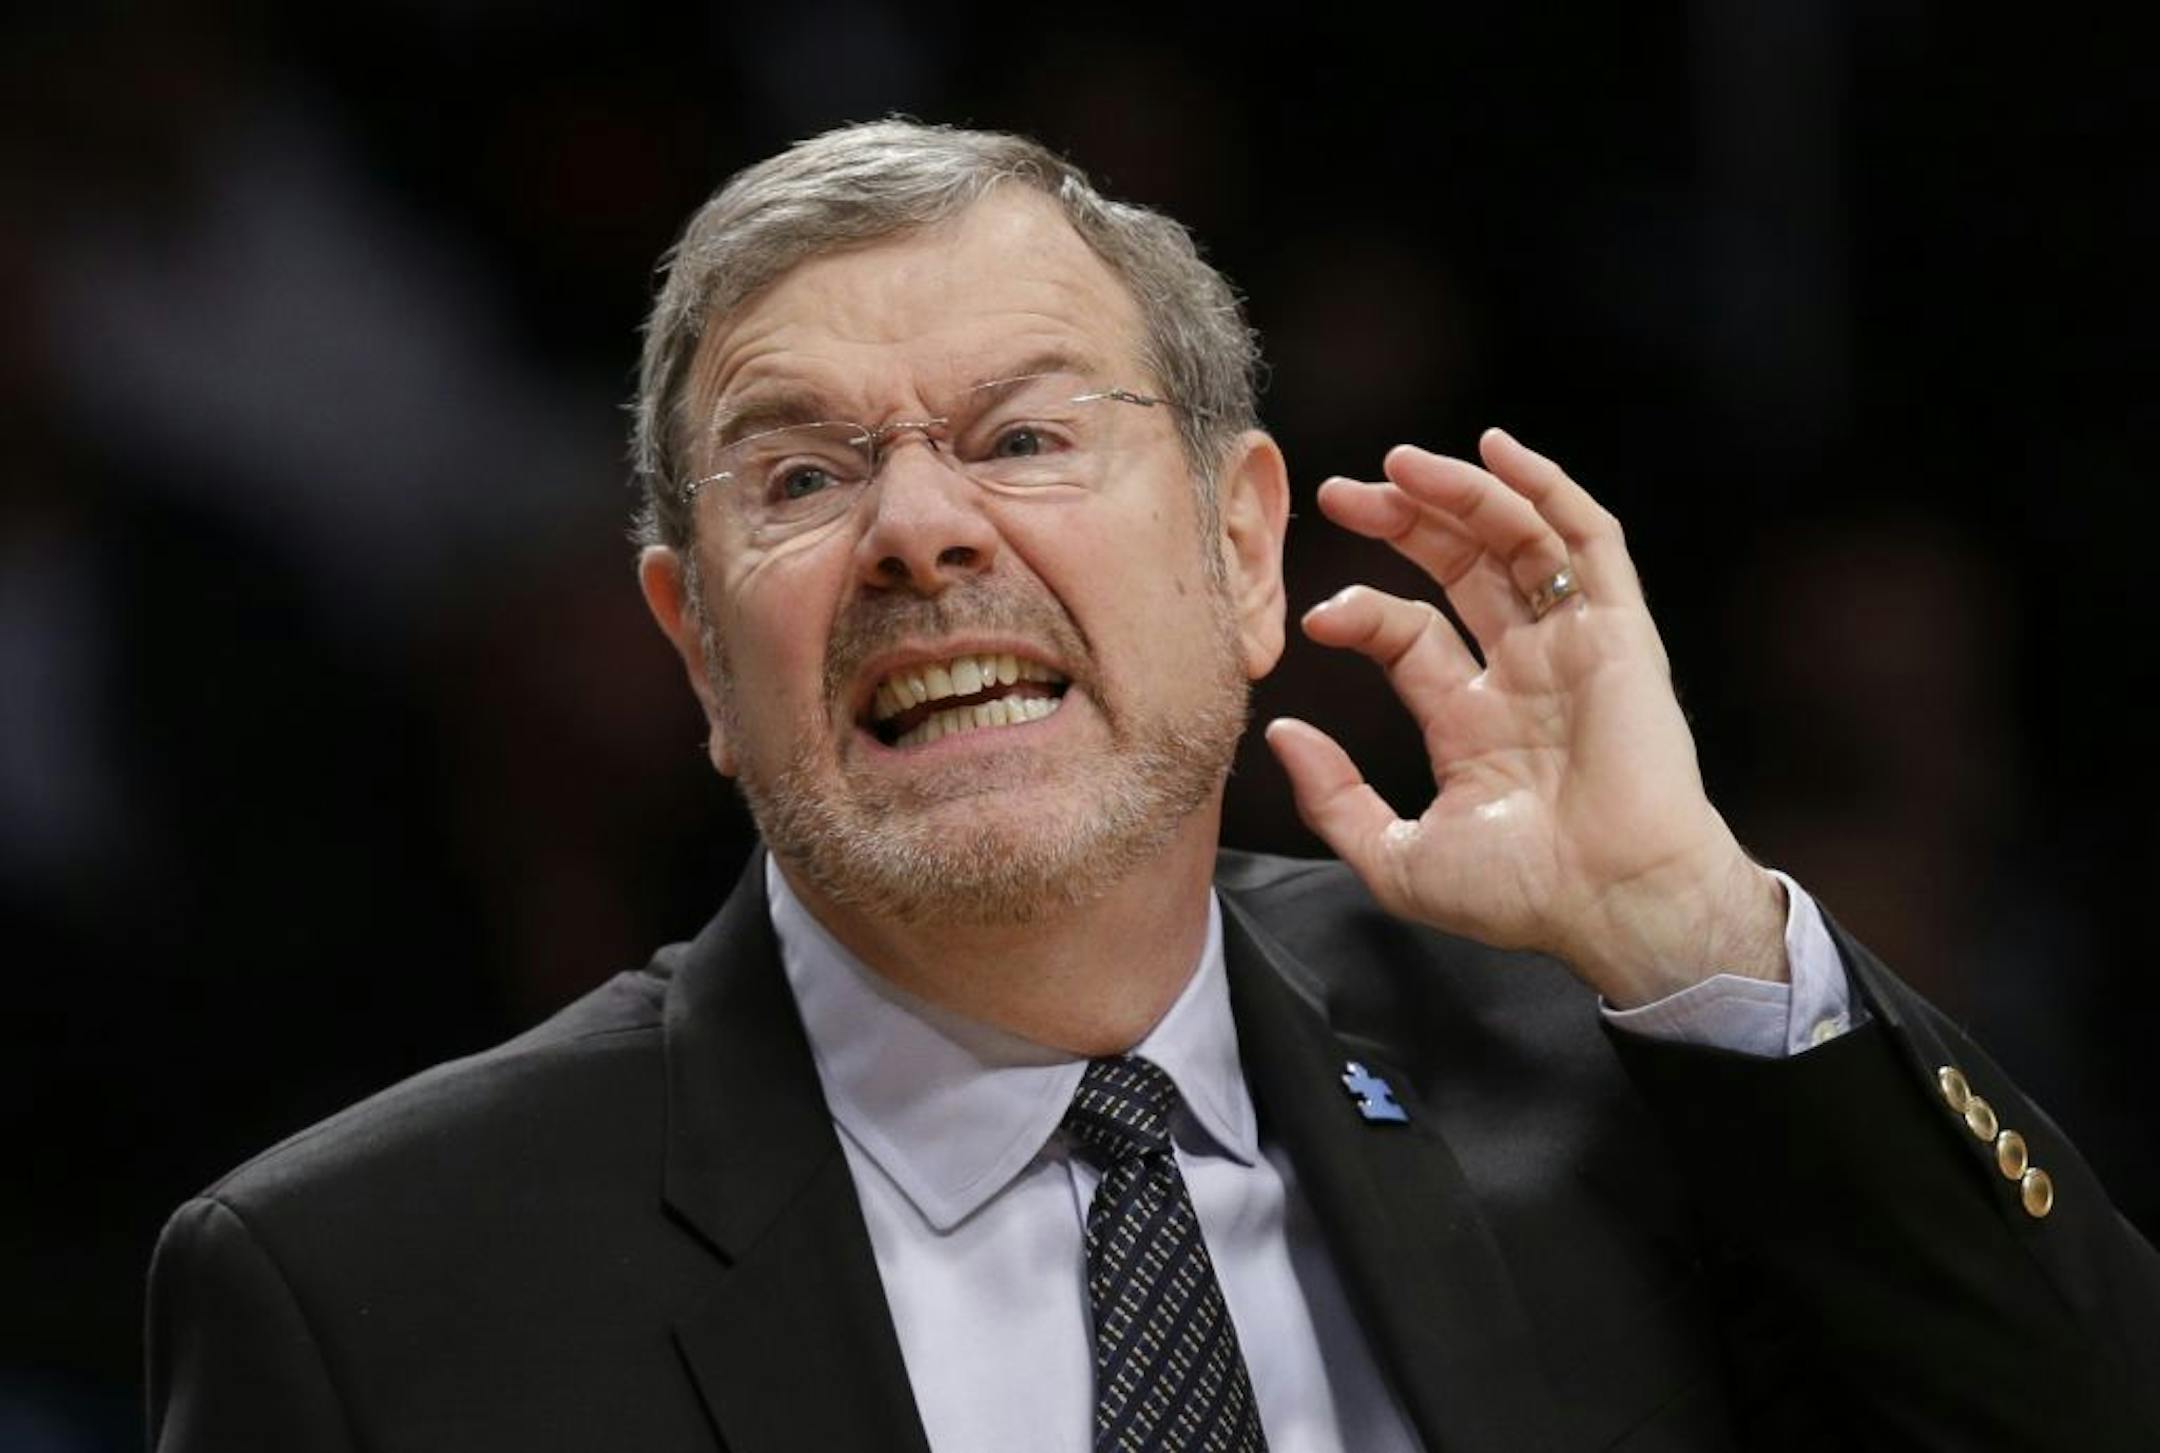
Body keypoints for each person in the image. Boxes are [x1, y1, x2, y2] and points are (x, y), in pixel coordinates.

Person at [147, 119, 2160, 1451]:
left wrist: (1705, 937)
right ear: (696, 648)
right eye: (804, 475)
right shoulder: (369, 1297)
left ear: (1246, 551)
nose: (923, 531)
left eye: (1023, 435)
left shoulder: (1617, 1080)